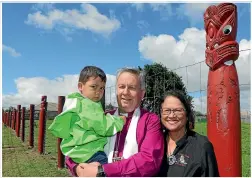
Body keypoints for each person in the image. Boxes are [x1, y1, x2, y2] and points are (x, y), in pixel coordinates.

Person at [65, 67, 164, 177]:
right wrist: (77, 168)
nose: (125, 92)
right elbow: (77, 143)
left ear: (142, 94)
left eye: (132, 88)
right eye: (121, 87)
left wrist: (103, 171)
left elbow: (149, 160)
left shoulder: (150, 120)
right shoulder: (104, 117)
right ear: (116, 90)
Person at [48, 66, 126, 165]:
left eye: (102, 88)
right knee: (103, 171)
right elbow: (103, 126)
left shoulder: (76, 102)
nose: (98, 92)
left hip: (78, 152)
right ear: (80, 86)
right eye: (93, 86)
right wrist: (119, 121)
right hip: (90, 151)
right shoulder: (87, 105)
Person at [157, 90, 219, 177]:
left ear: (187, 114)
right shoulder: (154, 142)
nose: (171, 115)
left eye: (178, 110)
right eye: (167, 110)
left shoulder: (202, 146)